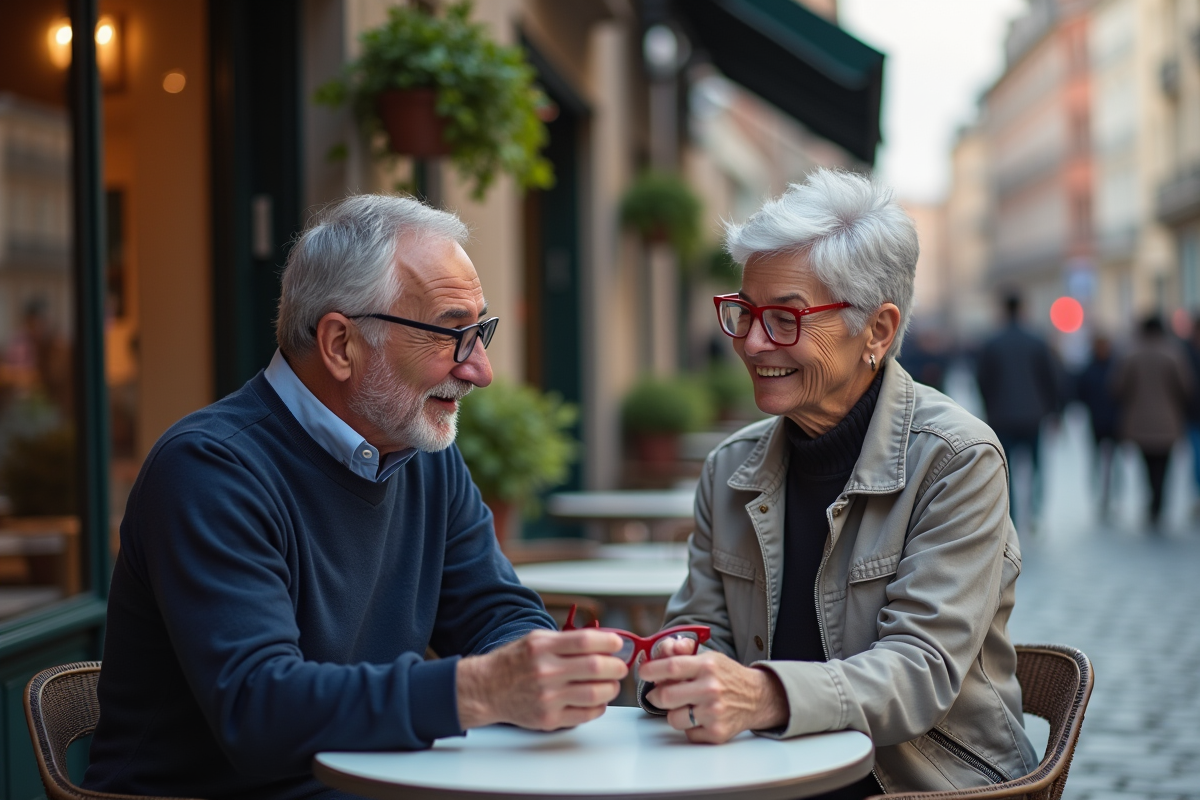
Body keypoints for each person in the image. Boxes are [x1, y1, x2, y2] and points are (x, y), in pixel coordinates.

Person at [84, 196, 628, 799]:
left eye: (480, 332)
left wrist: (543, 668)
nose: (481, 370)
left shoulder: (421, 452)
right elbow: (259, 710)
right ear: (341, 344)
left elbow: (496, 611)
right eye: (452, 334)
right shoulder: (209, 468)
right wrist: (480, 689)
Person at [636, 170, 1037, 797]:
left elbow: (919, 670)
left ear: (876, 330)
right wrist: (664, 666)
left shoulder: (957, 458)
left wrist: (762, 693)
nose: (752, 341)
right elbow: (698, 628)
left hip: (915, 783)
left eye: (786, 319)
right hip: (761, 775)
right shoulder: (729, 469)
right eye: (744, 312)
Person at [975, 292, 1062, 532]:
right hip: (1034, 415)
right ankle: (1035, 511)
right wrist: (1055, 412)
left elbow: (983, 380)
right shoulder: (1037, 341)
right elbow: (1050, 378)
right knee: (1036, 466)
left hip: (1002, 416)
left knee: (1006, 468)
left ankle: (1011, 514)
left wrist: (989, 407)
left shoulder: (993, 342)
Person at [1111, 315, 1194, 530]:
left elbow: (1117, 387)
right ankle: (1159, 503)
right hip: (1167, 422)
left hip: (1139, 423)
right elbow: (1186, 387)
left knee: (1146, 465)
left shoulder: (1131, 354)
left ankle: (1152, 501)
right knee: (1163, 466)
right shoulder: (1173, 354)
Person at [1075, 334, 1121, 519]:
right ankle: (1099, 495)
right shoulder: (1091, 367)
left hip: (1113, 420)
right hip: (1096, 420)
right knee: (1097, 460)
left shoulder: (1116, 366)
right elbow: (1081, 392)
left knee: (1114, 461)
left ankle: (1112, 496)